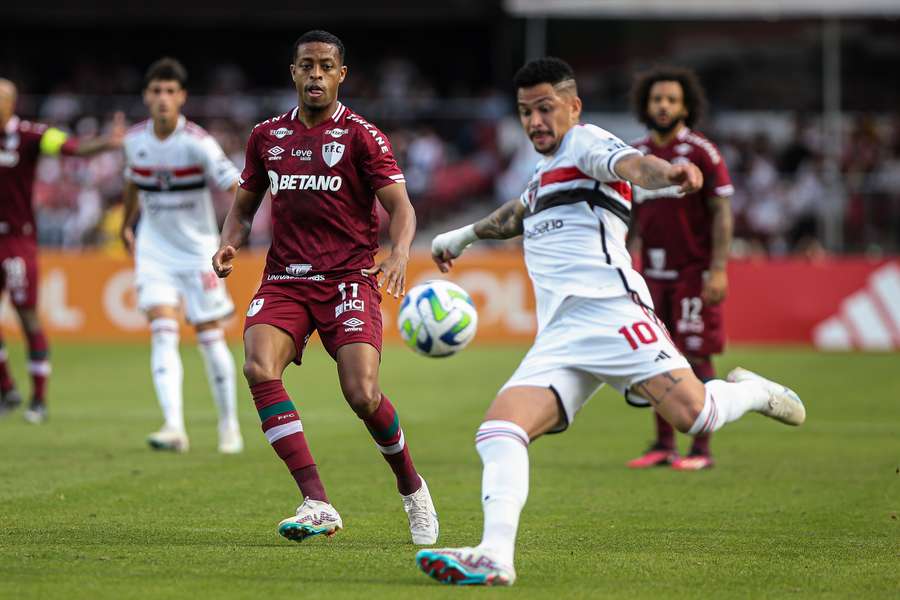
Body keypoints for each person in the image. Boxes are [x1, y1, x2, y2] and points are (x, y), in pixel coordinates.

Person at [417, 57, 805, 587]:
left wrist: (670, 175)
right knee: (499, 430)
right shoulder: (543, 172)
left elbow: (633, 165)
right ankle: (494, 555)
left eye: (546, 108)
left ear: (573, 107)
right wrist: (461, 236)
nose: (535, 121)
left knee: (697, 417)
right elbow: (516, 212)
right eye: (525, 111)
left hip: (612, 314)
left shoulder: (586, 143)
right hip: (560, 335)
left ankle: (755, 391)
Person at [212, 30, 438, 545]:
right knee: (255, 365)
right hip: (286, 279)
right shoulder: (266, 136)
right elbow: (243, 209)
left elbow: (401, 207)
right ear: (293, 72)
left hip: (348, 280)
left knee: (362, 394)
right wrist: (229, 243)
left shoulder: (362, 135)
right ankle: (316, 500)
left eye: (325, 67)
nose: (315, 75)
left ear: (342, 75)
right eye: (306, 66)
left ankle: (411, 486)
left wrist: (400, 251)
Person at [120, 58, 243, 454]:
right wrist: (127, 222)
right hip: (154, 251)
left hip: (196, 253)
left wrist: (233, 235)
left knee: (209, 338)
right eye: (156, 91)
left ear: (182, 97)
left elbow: (237, 184)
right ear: (146, 96)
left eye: (170, 92)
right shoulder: (134, 140)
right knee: (162, 331)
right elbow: (132, 181)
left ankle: (229, 425)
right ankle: (174, 425)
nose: (162, 99)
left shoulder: (198, 142)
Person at [625, 67, 735, 471]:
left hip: (694, 272)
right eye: (657, 99)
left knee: (695, 355)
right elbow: (628, 216)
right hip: (651, 275)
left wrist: (718, 268)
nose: (664, 106)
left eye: (671, 99)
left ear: (686, 105)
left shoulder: (702, 152)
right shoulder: (636, 157)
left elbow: (722, 211)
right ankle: (663, 444)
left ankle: (701, 450)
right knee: (655, 355)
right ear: (645, 105)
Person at [0, 78, 124, 424]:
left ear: (11, 103)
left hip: (17, 240)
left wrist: (106, 144)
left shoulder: (31, 135)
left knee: (26, 315)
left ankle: (38, 398)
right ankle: (7, 389)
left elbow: (73, 148)